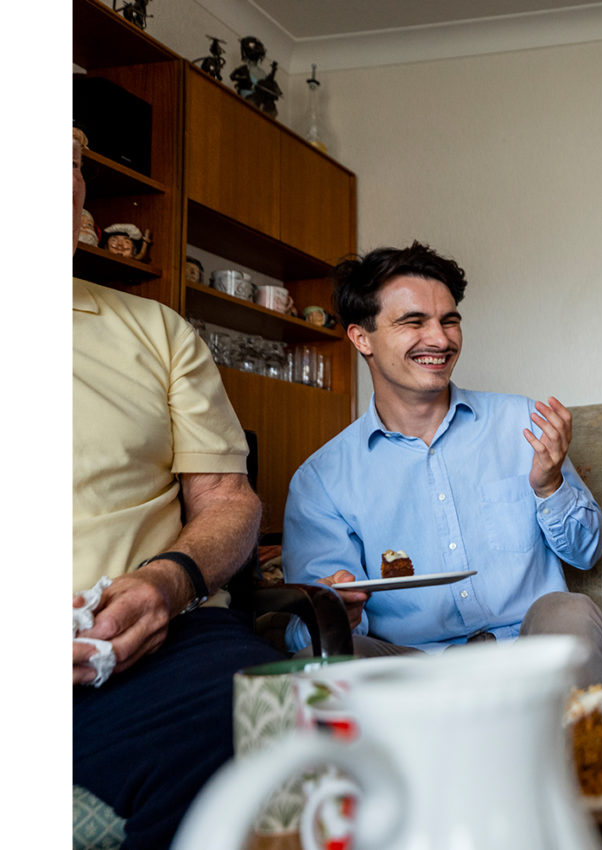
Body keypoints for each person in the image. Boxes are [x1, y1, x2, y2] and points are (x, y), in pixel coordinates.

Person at [71, 134, 283, 849]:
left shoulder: (157, 329)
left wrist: (167, 582)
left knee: (273, 724)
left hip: (168, 647)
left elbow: (228, 498)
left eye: (67, 165)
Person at [281, 241, 602, 687]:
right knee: (317, 661)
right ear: (362, 337)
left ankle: (584, 755)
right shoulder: (321, 480)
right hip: (411, 665)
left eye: (449, 320)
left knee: (570, 608)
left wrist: (550, 485)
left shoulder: (524, 423)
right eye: (413, 322)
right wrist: (338, 609)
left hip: (528, 651)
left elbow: (588, 553)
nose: (440, 339)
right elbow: (305, 628)